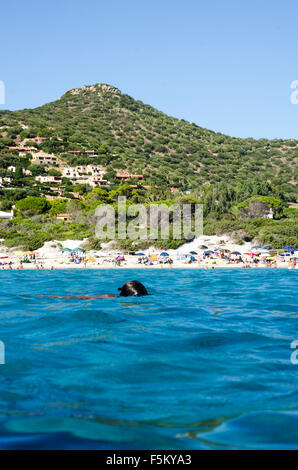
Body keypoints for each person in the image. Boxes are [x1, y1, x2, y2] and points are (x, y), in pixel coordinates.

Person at [38, 281, 149, 300]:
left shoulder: (113, 297)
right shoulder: (109, 297)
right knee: (61, 298)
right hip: (85, 299)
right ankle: (46, 296)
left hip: (88, 298)